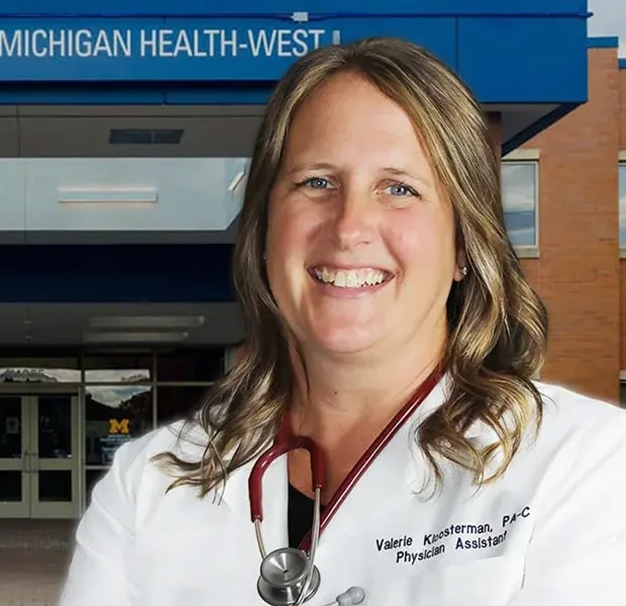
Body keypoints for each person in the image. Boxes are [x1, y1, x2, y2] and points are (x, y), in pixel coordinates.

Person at [58, 36, 626, 606]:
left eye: (399, 188)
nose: (349, 226)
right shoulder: (148, 484)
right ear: (264, 232)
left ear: (463, 246)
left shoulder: (585, 465)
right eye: (317, 183)